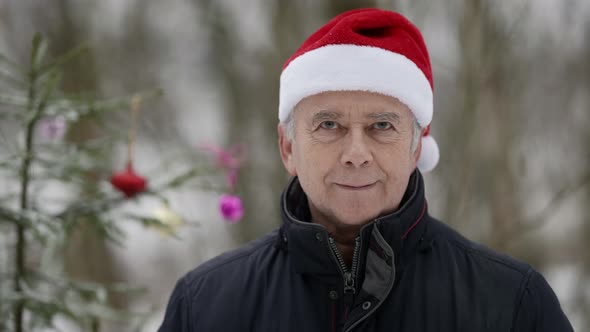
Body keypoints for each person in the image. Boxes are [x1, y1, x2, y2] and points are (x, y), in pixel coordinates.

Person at [158, 8, 573, 331]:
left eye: (381, 126)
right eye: (328, 125)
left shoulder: (512, 302)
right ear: (288, 147)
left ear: (415, 147)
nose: (356, 153)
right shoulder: (206, 305)